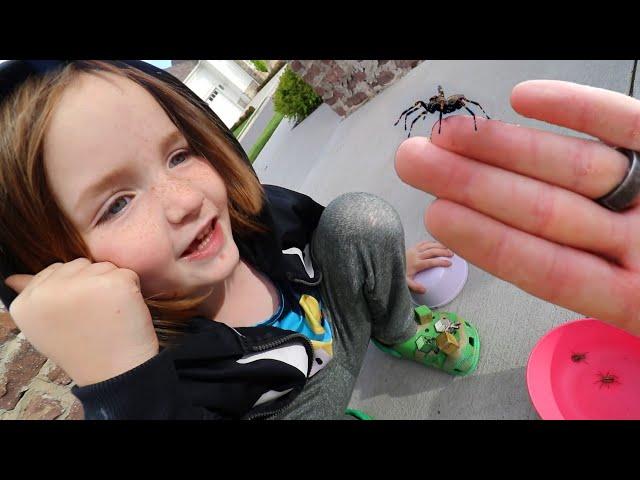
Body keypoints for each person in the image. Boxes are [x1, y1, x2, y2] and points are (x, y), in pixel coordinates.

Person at [0, 60, 481, 420]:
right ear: (59, 272)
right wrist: (125, 380)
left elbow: (322, 226)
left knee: (359, 218)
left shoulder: (248, 215)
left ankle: (398, 329)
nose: (185, 199)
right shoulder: (165, 375)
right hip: (294, 407)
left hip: (337, 334)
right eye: (117, 204)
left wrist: (386, 265)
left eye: (179, 154)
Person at [395, 79, 640, 337]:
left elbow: (460, 101)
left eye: (437, 103)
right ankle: (418, 123)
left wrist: (476, 118)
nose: (434, 106)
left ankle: (472, 120)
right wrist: (417, 116)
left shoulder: (451, 104)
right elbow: (426, 106)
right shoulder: (433, 107)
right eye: (435, 104)